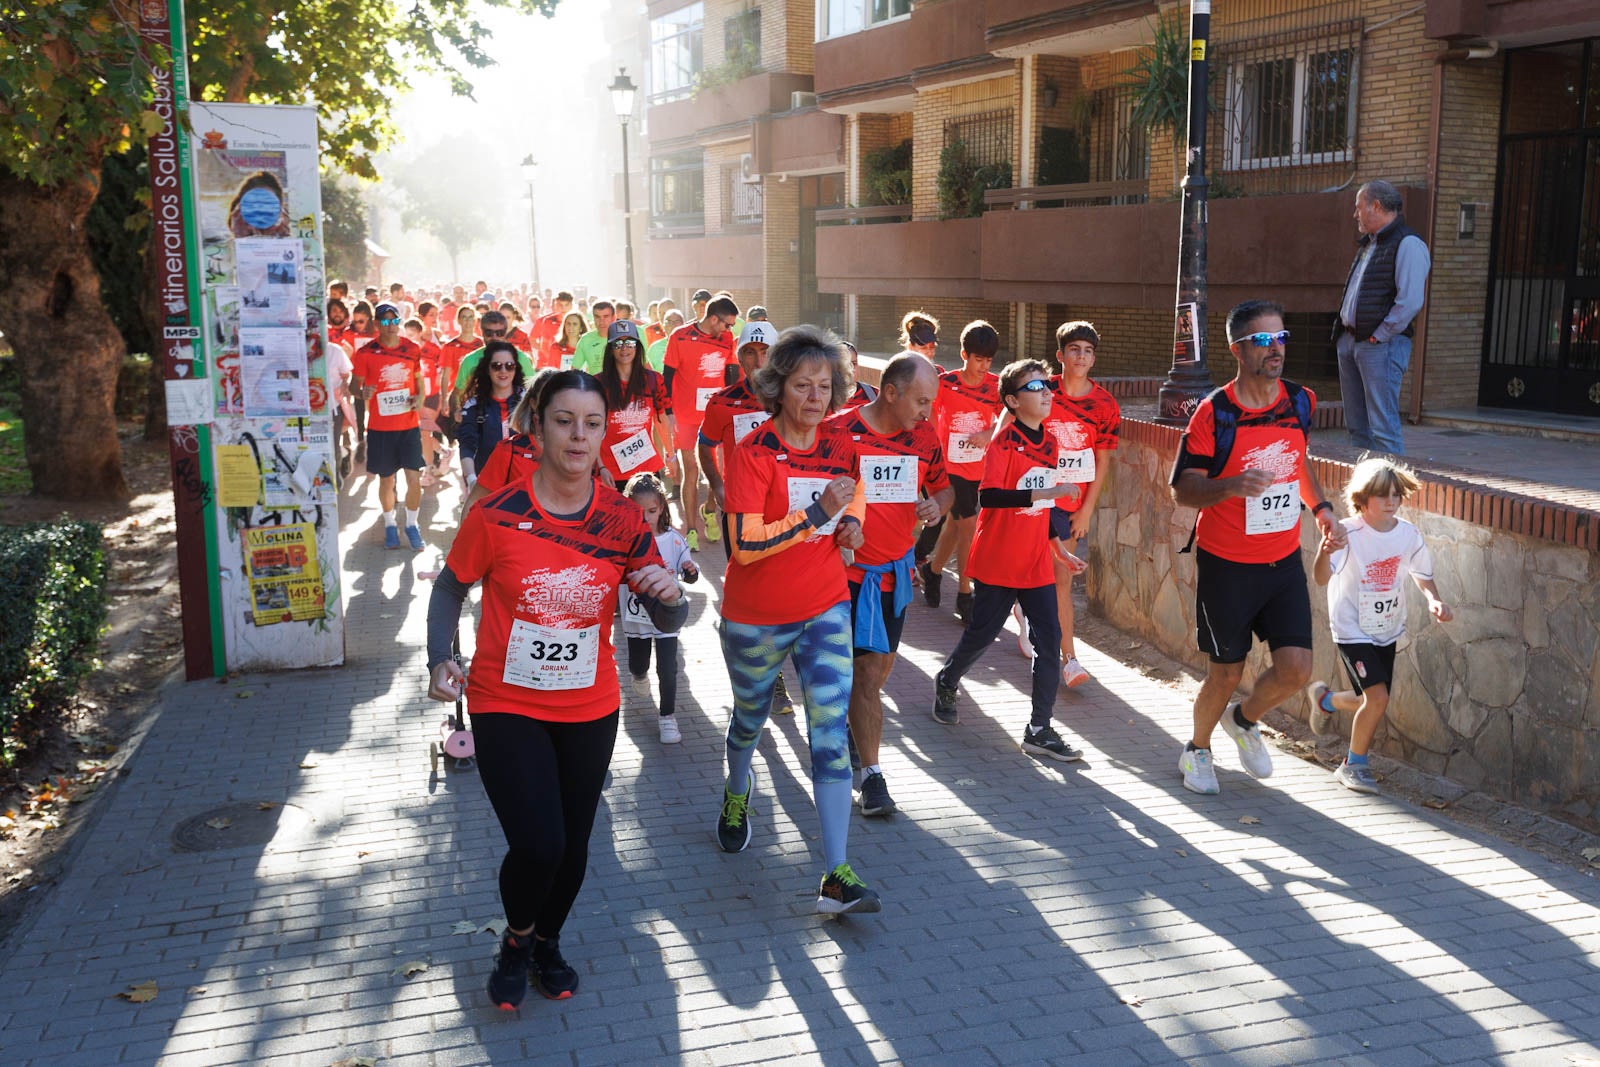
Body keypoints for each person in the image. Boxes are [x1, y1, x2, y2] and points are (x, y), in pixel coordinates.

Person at [426, 371, 687, 1010]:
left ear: (605, 433)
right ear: (537, 425)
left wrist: (673, 599)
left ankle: (547, 939)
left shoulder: (625, 519)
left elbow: (663, 613)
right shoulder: (497, 513)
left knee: (573, 846)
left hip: (589, 706)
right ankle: (515, 942)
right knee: (538, 842)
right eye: (564, 420)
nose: (578, 435)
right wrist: (441, 659)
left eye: (592, 423)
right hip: (504, 700)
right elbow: (449, 587)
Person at [716, 324, 881, 915]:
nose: (815, 397)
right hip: (756, 614)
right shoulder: (753, 452)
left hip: (824, 607)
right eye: (802, 385)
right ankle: (738, 790)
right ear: (778, 388)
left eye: (825, 386)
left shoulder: (843, 445)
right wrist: (817, 513)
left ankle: (836, 872)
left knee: (830, 734)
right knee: (750, 720)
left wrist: (850, 527)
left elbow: (851, 499)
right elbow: (741, 545)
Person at [1170, 299, 1347, 795]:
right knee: (1225, 672)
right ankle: (1197, 750)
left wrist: (1322, 509)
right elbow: (1181, 488)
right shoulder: (1215, 413)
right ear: (1238, 349)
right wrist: (1231, 486)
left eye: (1281, 338)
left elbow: (1297, 462)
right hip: (1228, 565)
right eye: (1264, 340)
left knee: (1296, 669)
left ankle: (1243, 721)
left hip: (1282, 560)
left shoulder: (1300, 401)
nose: (1276, 349)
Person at [930, 359, 1085, 762]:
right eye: (1036, 387)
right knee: (981, 634)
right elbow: (991, 497)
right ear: (1013, 402)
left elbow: (1044, 507)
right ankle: (947, 679)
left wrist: (1059, 550)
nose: (1047, 393)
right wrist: (1045, 494)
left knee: (1048, 643)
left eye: (1047, 386)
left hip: (1034, 561)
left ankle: (1039, 729)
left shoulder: (1050, 442)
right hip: (998, 559)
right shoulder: (1003, 442)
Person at [831, 352, 952, 816]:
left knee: (877, 675)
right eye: (921, 401)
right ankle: (873, 778)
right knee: (864, 678)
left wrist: (937, 505)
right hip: (844, 576)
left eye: (932, 402)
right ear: (891, 392)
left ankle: (852, 731)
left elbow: (944, 487)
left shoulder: (924, 436)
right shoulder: (840, 433)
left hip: (894, 576)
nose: (927, 411)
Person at [1310, 457, 1451, 794]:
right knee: (1377, 698)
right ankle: (1353, 764)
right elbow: (1319, 578)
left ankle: (1325, 701)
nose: (1391, 502)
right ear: (1362, 499)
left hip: (1385, 628)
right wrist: (1322, 550)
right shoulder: (1347, 533)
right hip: (1352, 629)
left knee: (1371, 699)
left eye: (1396, 496)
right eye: (1382, 496)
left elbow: (1423, 575)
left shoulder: (1407, 535)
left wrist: (1434, 600)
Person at [1002, 321, 1120, 688]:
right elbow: (1006, 424)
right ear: (1060, 355)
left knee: (1061, 579)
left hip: (1070, 504)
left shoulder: (1104, 404)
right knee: (1030, 570)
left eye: (1087, 350)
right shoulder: (1041, 390)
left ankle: (1069, 658)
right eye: (1074, 349)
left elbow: (1103, 461)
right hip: (1033, 496)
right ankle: (1023, 605)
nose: (1080, 356)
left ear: (1093, 358)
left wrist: (1086, 509)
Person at [1336, 180, 1430, 455]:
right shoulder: (1371, 243)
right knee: (1357, 427)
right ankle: (1363, 489)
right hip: (1352, 341)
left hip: (1380, 346)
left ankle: (1390, 492)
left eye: (1358, 207)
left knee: (1383, 429)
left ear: (1376, 206)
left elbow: (1410, 301)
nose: (1355, 214)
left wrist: (1380, 335)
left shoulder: (1409, 244)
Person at [918, 320, 1001, 623]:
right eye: (979, 359)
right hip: (947, 468)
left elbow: (1007, 417)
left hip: (978, 468)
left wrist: (989, 432)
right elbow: (925, 417)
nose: (984, 366)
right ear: (965, 355)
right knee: (968, 527)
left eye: (989, 360)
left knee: (955, 527)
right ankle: (965, 594)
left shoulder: (995, 385)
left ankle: (933, 570)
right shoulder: (947, 383)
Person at [622, 472, 700, 744]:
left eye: (652, 511)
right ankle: (638, 674)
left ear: (662, 508)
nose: (646, 518)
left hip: (667, 616)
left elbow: (688, 570)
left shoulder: (674, 539)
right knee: (638, 663)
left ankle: (668, 717)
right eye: (638, 512)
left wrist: (690, 572)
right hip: (636, 618)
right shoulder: (622, 539)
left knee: (668, 668)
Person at [350, 302, 427, 550]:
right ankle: (390, 524)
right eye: (385, 321)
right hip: (381, 428)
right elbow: (354, 387)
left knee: (414, 479)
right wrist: (363, 393)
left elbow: (419, 382)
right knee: (387, 481)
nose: (391, 326)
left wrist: (420, 400)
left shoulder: (412, 349)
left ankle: (412, 525)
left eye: (395, 321)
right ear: (376, 324)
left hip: (408, 426)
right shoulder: (366, 353)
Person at [664, 295, 739, 548]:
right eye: (727, 324)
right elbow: (667, 375)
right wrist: (668, 410)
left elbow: (730, 374)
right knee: (691, 471)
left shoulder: (726, 339)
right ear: (713, 318)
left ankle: (709, 509)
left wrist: (731, 407)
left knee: (716, 470)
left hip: (714, 414)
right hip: (685, 415)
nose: (729, 330)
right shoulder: (680, 335)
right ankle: (692, 529)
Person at [595, 320, 677, 489]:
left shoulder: (653, 380)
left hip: (647, 468)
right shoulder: (598, 384)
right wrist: (600, 466)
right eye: (618, 343)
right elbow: (591, 430)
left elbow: (661, 419)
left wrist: (671, 456)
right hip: (611, 472)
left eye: (630, 342)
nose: (624, 348)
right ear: (610, 349)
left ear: (638, 347)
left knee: (650, 515)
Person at [468, 371, 556, 507]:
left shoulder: (583, 452)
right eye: (548, 398)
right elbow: (473, 506)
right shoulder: (509, 451)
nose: (556, 404)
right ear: (533, 403)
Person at [457, 340, 527, 490]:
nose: (503, 371)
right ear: (487, 369)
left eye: (509, 366)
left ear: (516, 369)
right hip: (486, 484)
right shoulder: (473, 405)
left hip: (524, 483)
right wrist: (471, 480)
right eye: (496, 366)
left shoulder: (529, 401)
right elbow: (466, 445)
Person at [450, 311, 537, 417]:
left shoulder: (521, 359)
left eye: (499, 333)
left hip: (513, 419)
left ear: (505, 333)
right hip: (480, 419)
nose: (494, 337)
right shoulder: (470, 360)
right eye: (489, 333)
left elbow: (533, 393)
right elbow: (457, 394)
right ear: (482, 332)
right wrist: (457, 412)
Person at [569, 300, 617, 375]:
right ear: (593, 318)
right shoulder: (585, 339)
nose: (601, 321)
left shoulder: (623, 337)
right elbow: (574, 370)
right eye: (597, 317)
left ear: (614, 317)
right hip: (594, 385)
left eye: (606, 316)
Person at [645, 309, 683, 373]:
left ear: (683, 325)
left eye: (677, 321)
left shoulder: (690, 346)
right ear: (663, 326)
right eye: (669, 321)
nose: (673, 325)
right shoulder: (655, 348)